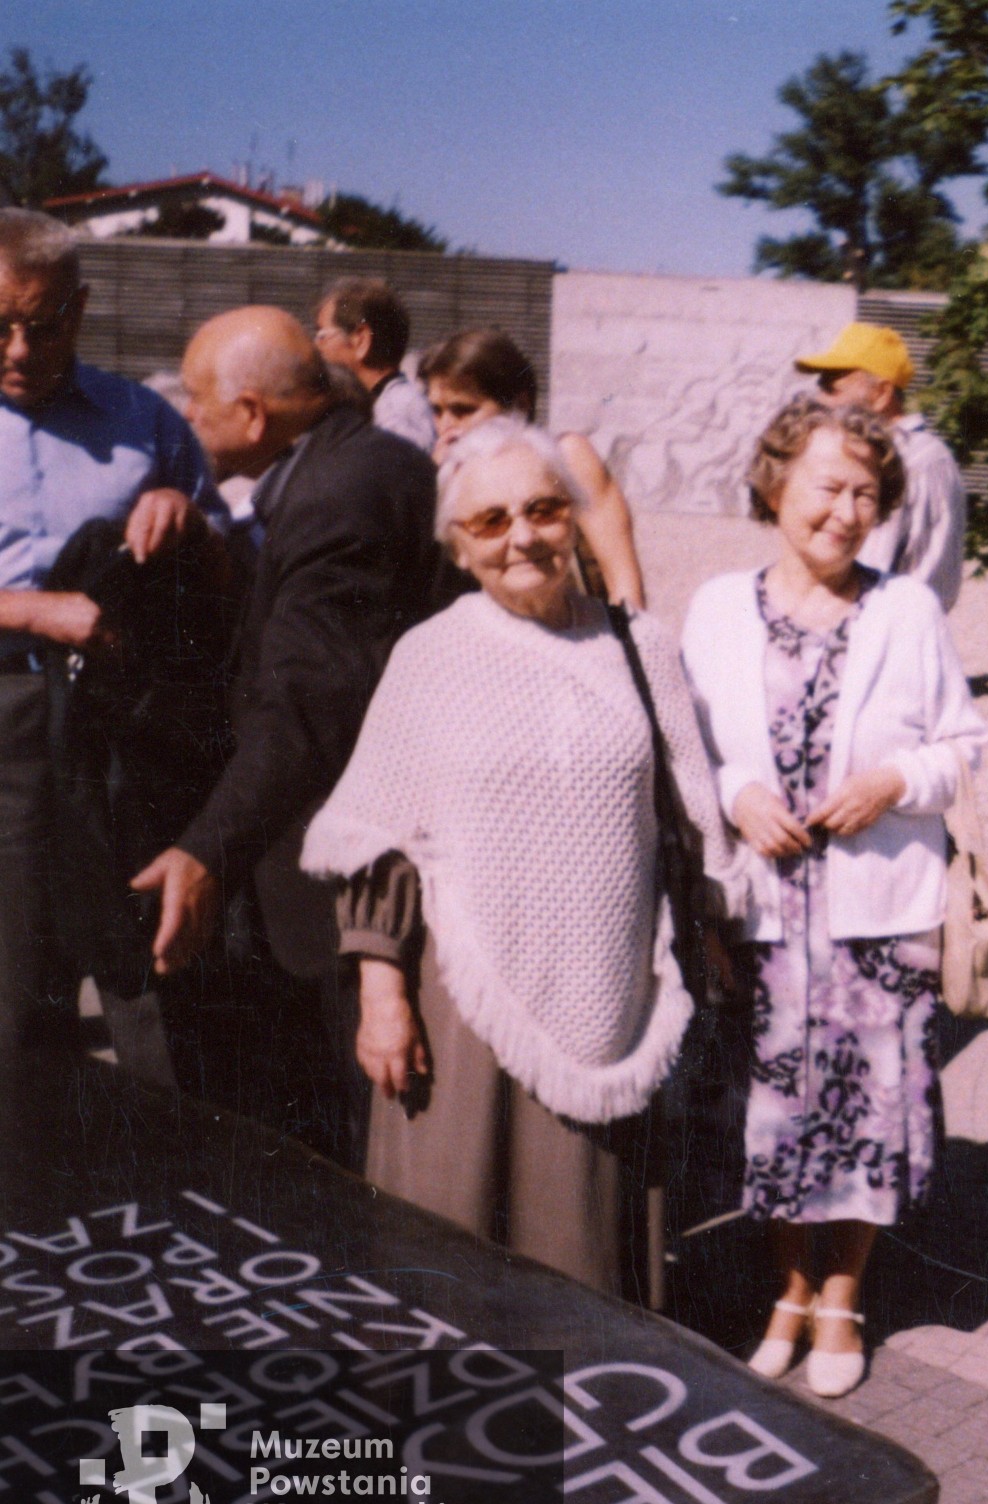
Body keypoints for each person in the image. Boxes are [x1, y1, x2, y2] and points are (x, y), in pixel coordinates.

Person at [301, 417, 740, 1290]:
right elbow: (376, 836)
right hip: (463, 1014)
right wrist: (382, 996)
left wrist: (726, 930)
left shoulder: (641, 648)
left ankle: (591, 1413)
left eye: (542, 510)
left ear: (575, 517)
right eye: (490, 521)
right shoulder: (429, 657)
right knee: (450, 1246)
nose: (523, 538)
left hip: (616, 995)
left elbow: (696, 820)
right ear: (457, 548)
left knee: (585, 1248)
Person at [681, 394, 988, 1396]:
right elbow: (697, 750)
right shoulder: (718, 607)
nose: (848, 511)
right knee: (772, 1116)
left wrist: (893, 783)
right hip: (766, 917)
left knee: (865, 1117)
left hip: (873, 916)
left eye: (868, 493)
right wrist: (739, 793)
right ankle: (787, 1291)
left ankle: (843, 1298)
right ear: (777, 484)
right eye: (829, 486)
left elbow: (962, 745)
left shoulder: (906, 610)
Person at [135, 306, 443, 1164]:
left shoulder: (341, 498)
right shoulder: (341, 467)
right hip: (317, 865)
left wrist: (208, 850)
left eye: (198, 402)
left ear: (251, 414)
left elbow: (309, 702)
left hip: (342, 881)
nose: (188, 418)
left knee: (343, 1140)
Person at [0, 207, 229, 1072]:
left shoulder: (147, 421)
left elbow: (227, 579)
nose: (20, 350)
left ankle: (163, 1185)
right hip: (10, 720)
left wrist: (191, 521)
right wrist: (31, 610)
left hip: (126, 723)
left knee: (148, 979)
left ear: (82, 309)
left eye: (43, 324)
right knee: (15, 992)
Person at [418, 326, 647, 606]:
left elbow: (623, 580)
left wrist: (630, 643)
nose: (446, 427)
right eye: (437, 412)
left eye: (464, 410)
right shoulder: (441, 471)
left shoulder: (567, 457)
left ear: (519, 405)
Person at [794, 321, 967, 613]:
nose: (819, 400)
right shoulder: (905, 455)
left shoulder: (908, 462)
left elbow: (866, 570)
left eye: (831, 389)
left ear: (882, 394)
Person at [314, 277, 437, 453]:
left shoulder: (394, 419)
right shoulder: (385, 406)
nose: (316, 347)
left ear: (360, 340)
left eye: (322, 335)